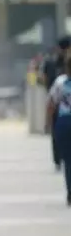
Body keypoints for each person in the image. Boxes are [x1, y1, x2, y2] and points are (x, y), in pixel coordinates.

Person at [46, 50, 71, 206]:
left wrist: (48, 124)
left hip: (64, 123)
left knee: (68, 161)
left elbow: (51, 104)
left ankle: (70, 191)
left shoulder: (60, 82)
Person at [42, 37, 70, 171]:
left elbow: (44, 80)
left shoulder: (51, 62)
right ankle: (59, 158)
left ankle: (59, 158)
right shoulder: (53, 63)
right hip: (59, 102)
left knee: (56, 132)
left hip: (57, 101)